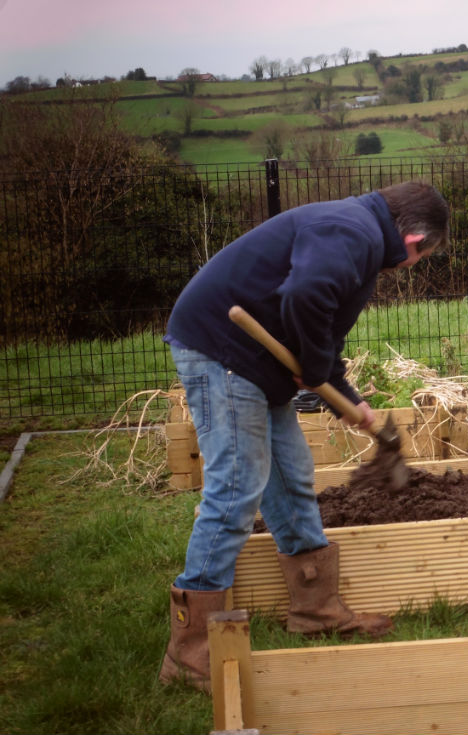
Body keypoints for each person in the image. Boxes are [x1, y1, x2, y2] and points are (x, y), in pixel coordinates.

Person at [159, 181, 451, 690]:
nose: (412, 268)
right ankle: (190, 650)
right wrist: (316, 371)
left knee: (292, 476)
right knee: (235, 488)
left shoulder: (356, 234)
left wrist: (347, 397)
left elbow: (321, 333)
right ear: (414, 242)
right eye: (421, 259)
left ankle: (315, 610)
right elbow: (305, 296)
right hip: (222, 350)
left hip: (255, 362)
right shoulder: (352, 232)